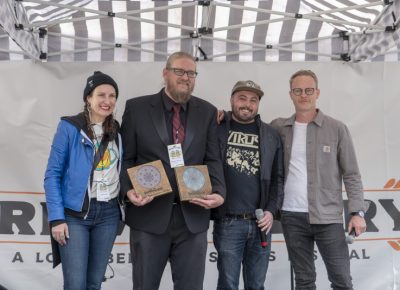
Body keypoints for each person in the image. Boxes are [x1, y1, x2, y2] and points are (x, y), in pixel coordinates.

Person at [120, 51, 226, 290]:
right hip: (148, 216)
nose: (185, 77)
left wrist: (219, 191)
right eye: (179, 71)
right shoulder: (136, 109)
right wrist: (128, 191)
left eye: (191, 73)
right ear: (165, 73)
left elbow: (213, 158)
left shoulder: (207, 112)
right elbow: (126, 158)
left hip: (192, 219)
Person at [271, 70, 367, 290]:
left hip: (328, 217)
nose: (303, 95)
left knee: (341, 280)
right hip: (292, 216)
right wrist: (223, 117)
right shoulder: (278, 128)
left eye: (308, 90)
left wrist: (357, 213)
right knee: (304, 282)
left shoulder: (337, 129)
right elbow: (249, 125)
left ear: (317, 92)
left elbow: (352, 174)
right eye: (298, 91)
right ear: (291, 94)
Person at [44, 71, 122, 290]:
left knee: (94, 283)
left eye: (112, 95)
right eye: (101, 95)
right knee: (76, 284)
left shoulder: (117, 130)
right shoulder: (69, 127)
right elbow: (52, 174)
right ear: (88, 98)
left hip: (108, 214)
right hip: (75, 216)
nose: (107, 101)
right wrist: (57, 219)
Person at [212, 80, 284, 290]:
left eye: (253, 100)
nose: (247, 104)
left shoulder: (271, 135)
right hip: (228, 222)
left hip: (262, 223)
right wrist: (219, 115)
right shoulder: (216, 128)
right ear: (232, 100)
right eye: (242, 98)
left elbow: (278, 178)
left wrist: (271, 211)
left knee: (256, 285)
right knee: (228, 285)